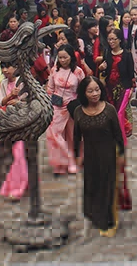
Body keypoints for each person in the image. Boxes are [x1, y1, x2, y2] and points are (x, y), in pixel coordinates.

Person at [73, 76, 125, 237]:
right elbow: (76, 136)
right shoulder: (78, 111)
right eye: (90, 91)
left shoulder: (109, 110)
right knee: (92, 186)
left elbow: (118, 135)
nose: (95, 94)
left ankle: (108, 222)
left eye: (97, 90)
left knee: (107, 188)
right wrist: (76, 155)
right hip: (90, 156)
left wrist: (121, 154)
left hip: (108, 155)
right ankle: (94, 215)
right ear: (84, 93)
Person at [46, 44, 85, 176]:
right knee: (54, 135)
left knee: (71, 136)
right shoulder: (54, 70)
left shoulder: (78, 72)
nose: (62, 60)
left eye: (65, 57)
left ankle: (72, 161)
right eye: (60, 57)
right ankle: (63, 161)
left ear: (71, 57)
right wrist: (52, 101)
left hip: (72, 106)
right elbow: (50, 88)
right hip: (56, 106)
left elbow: (83, 89)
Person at [0, 63, 28, 201]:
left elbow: (31, 101)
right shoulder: (4, 83)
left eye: (8, 66)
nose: (5, 70)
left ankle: (17, 188)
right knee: (15, 153)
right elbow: (0, 102)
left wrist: (18, 101)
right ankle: (21, 183)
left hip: (24, 120)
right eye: (2, 67)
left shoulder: (24, 81)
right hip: (9, 121)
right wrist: (10, 95)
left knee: (19, 152)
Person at [99, 28, 136, 141]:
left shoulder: (127, 55)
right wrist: (101, 68)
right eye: (109, 39)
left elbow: (131, 73)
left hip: (123, 88)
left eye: (113, 39)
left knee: (120, 112)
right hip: (110, 88)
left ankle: (121, 136)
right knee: (112, 111)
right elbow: (105, 71)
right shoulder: (107, 53)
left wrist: (131, 89)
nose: (111, 42)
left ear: (119, 40)